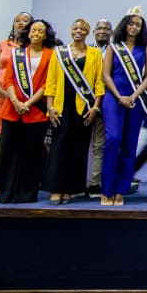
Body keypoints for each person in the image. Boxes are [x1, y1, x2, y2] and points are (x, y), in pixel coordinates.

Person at [43, 18, 104, 205]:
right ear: (71, 31)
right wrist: (50, 107)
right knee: (58, 148)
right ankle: (56, 188)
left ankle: (70, 189)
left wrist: (95, 107)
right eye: (75, 28)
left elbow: (99, 83)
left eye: (82, 28)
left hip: (84, 108)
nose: (78, 30)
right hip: (61, 107)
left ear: (88, 32)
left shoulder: (94, 54)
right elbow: (51, 82)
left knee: (78, 148)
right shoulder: (60, 52)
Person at [0, 18, 58, 203]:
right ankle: (6, 192)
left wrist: (29, 103)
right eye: (33, 30)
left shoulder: (51, 55)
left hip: (35, 112)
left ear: (46, 35)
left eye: (40, 31)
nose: (36, 33)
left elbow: (48, 83)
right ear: (28, 33)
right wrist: (16, 101)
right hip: (12, 110)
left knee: (31, 154)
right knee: (8, 152)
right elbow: (8, 80)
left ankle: (25, 193)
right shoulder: (17, 54)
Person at [101, 8, 147, 206]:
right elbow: (106, 75)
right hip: (113, 97)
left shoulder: (146, 49)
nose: (133, 27)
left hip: (134, 99)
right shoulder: (113, 47)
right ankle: (107, 189)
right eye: (131, 24)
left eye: (138, 25)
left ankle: (120, 190)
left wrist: (133, 96)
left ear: (142, 28)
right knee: (113, 139)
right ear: (124, 25)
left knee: (130, 145)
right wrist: (119, 96)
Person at [0, 11, 31, 198]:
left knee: (22, 140)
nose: (21, 23)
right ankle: (1, 183)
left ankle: (21, 182)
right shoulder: (3, 45)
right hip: (1, 97)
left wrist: (17, 98)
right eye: (17, 20)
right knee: (2, 140)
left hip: (24, 100)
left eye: (25, 21)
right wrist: (4, 94)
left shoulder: (33, 47)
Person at [86, 18, 112, 197]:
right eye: (99, 28)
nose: (102, 31)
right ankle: (77, 182)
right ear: (94, 31)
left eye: (106, 28)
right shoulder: (85, 49)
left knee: (99, 144)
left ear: (111, 32)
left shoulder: (115, 51)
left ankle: (95, 183)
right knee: (80, 144)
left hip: (105, 102)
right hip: (84, 102)